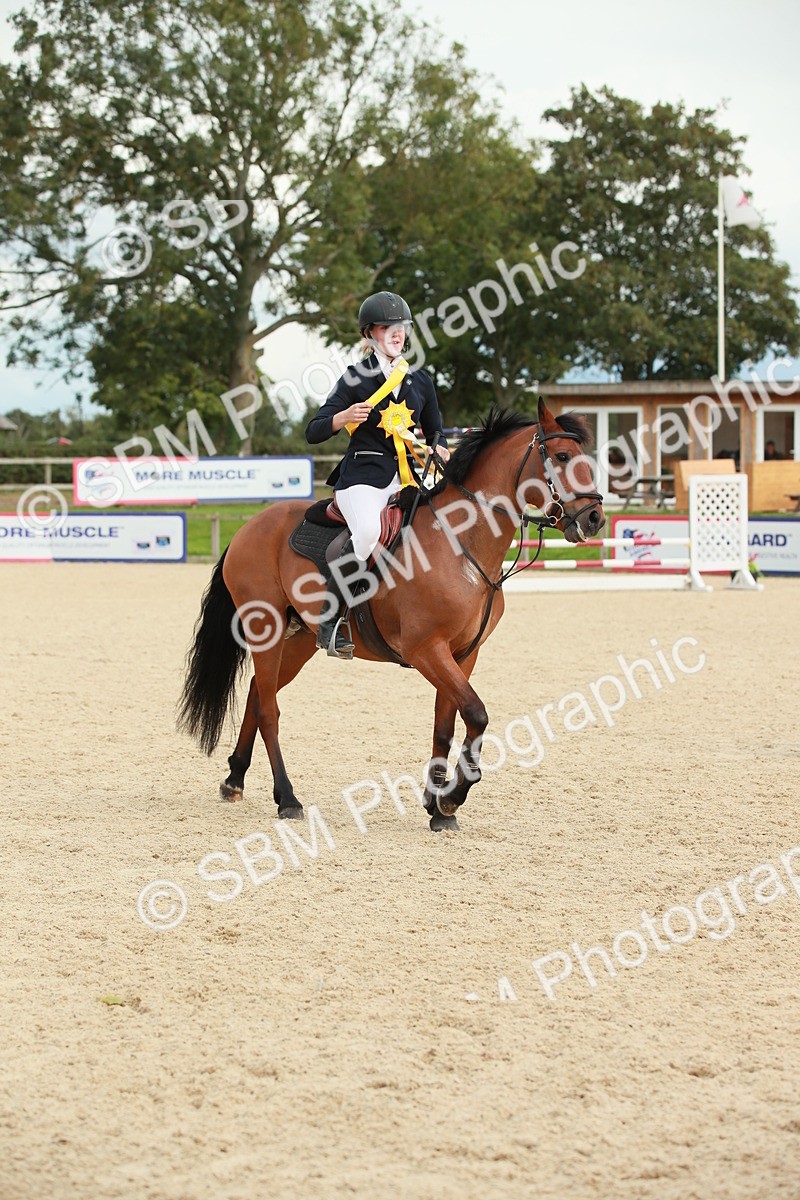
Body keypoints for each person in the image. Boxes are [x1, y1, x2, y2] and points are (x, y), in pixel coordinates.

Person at [305, 290, 450, 659]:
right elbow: (314, 430)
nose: (397, 333)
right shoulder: (355, 379)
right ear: (369, 334)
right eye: (387, 327)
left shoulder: (420, 381)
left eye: (402, 326)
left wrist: (440, 447)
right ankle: (329, 621)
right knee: (368, 531)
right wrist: (342, 418)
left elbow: (436, 430)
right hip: (363, 478)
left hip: (409, 477)